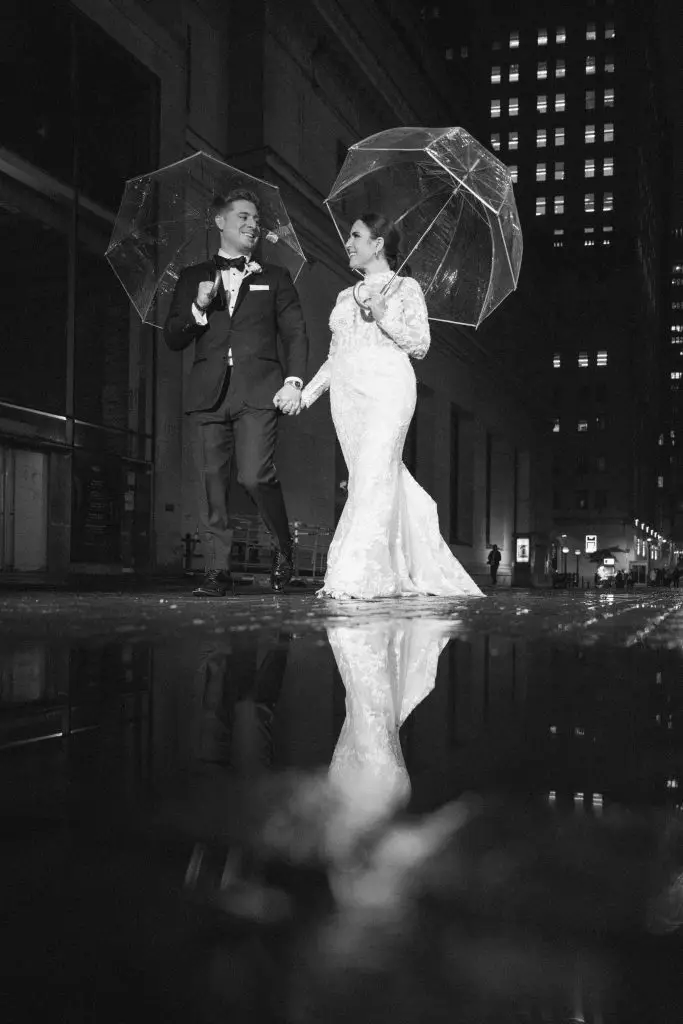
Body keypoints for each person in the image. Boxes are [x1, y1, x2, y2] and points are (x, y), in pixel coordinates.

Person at [300, 212, 482, 600]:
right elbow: (334, 356)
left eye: (355, 235)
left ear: (378, 243)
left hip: (388, 390)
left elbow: (420, 344)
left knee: (372, 474)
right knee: (369, 479)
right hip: (347, 398)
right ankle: (399, 564)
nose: (348, 243)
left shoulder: (405, 287)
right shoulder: (343, 296)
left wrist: (383, 315)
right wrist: (306, 395)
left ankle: (360, 574)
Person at [164, 189, 308, 596]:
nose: (252, 225)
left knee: (254, 475)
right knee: (210, 484)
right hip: (207, 395)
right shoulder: (192, 277)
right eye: (243, 216)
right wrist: (198, 308)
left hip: (259, 391)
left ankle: (283, 548)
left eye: (256, 220)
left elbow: (296, 334)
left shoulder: (275, 276)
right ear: (220, 222)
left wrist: (294, 381)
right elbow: (173, 337)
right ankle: (217, 570)